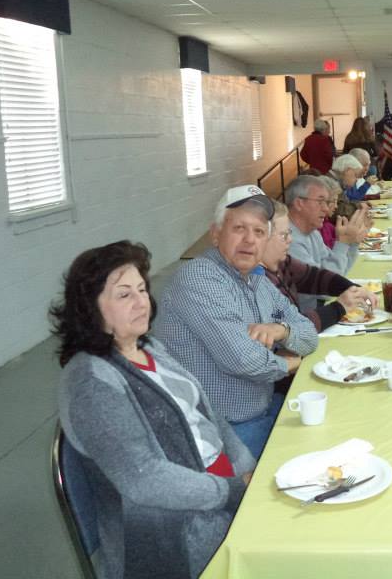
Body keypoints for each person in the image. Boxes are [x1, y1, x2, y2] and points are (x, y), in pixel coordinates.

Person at [54, 240, 257, 579]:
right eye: (124, 295)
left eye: (142, 290)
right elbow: (144, 479)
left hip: (220, 490)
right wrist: (233, 491)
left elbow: (210, 416)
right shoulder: (91, 383)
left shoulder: (151, 348)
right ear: (90, 308)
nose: (141, 302)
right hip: (179, 528)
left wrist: (247, 470)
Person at [156, 185, 318, 459]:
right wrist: (294, 363)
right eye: (239, 228)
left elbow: (309, 335)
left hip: (264, 410)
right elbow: (245, 361)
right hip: (220, 433)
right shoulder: (199, 278)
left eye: (258, 231)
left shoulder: (256, 280)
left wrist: (281, 329)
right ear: (216, 234)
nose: (249, 240)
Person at [263, 202, 378, 331]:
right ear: (261, 237)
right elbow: (290, 330)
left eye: (289, 232)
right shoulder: (258, 280)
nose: (290, 239)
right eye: (284, 235)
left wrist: (354, 289)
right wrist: (339, 307)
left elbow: (316, 277)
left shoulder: (283, 262)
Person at [286, 174, 368, 309]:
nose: (325, 208)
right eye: (320, 201)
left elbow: (339, 274)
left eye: (327, 202)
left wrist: (353, 242)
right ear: (299, 203)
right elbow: (324, 291)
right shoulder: (289, 239)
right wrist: (343, 244)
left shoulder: (312, 233)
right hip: (302, 318)